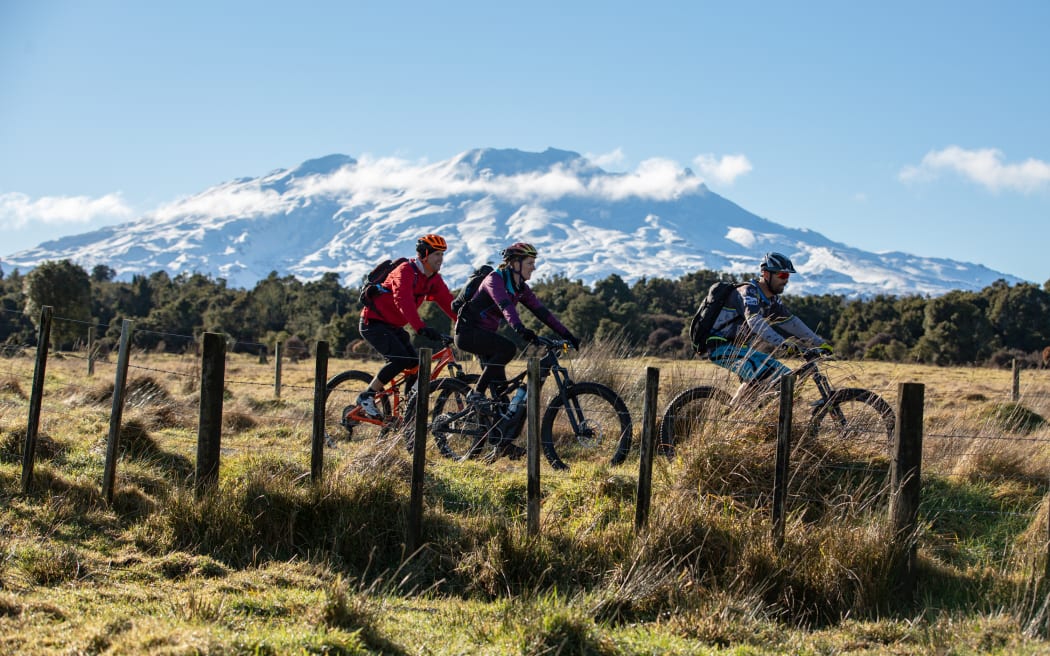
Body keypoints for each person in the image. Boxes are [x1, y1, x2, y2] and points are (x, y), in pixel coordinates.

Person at [454, 242, 579, 454]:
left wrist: (567, 334)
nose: (534, 267)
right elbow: (506, 307)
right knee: (508, 349)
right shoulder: (495, 279)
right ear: (515, 263)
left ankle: (501, 443)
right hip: (468, 333)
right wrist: (520, 329)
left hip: (486, 336)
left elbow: (542, 312)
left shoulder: (521, 288)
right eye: (530, 263)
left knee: (502, 397)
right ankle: (476, 393)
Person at [704, 252, 831, 404]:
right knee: (776, 378)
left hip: (741, 349)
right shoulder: (748, 292)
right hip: (720, 347)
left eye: (788, 276)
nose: (786, 280)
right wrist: (782, 343)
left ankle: (734, 413)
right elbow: (755, 321)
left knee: (783, 378)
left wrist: (818, 342)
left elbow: (791, 322)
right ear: (765, 274)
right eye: (782, 276)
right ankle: (743, 418)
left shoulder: (772, 301)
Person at [356, 234, 457, 417]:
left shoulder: (433, 279)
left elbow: (449, 304)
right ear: (424, 255)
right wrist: (420, 327)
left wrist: (467, 326)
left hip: (394, 327)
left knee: (415, 366)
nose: (441, 259)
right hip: (373, 323)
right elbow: (403, 300)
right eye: (437, 255)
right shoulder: (405, 271)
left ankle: (408, 410)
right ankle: (366, 396)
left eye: (442, 255)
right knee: (400, 360)